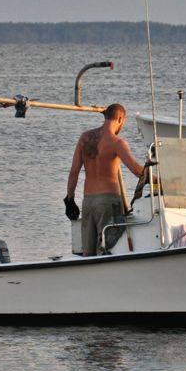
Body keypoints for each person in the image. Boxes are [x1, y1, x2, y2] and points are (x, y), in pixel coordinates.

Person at [65, 103, 147, 256]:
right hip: (108, 202)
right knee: (108, 248)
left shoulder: (84, 138)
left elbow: (73, 173)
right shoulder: (117, 143)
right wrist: (160, 180)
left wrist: (69, 200)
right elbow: (137, 170)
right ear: (121, 119)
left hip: (88, 202)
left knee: (87, 253)